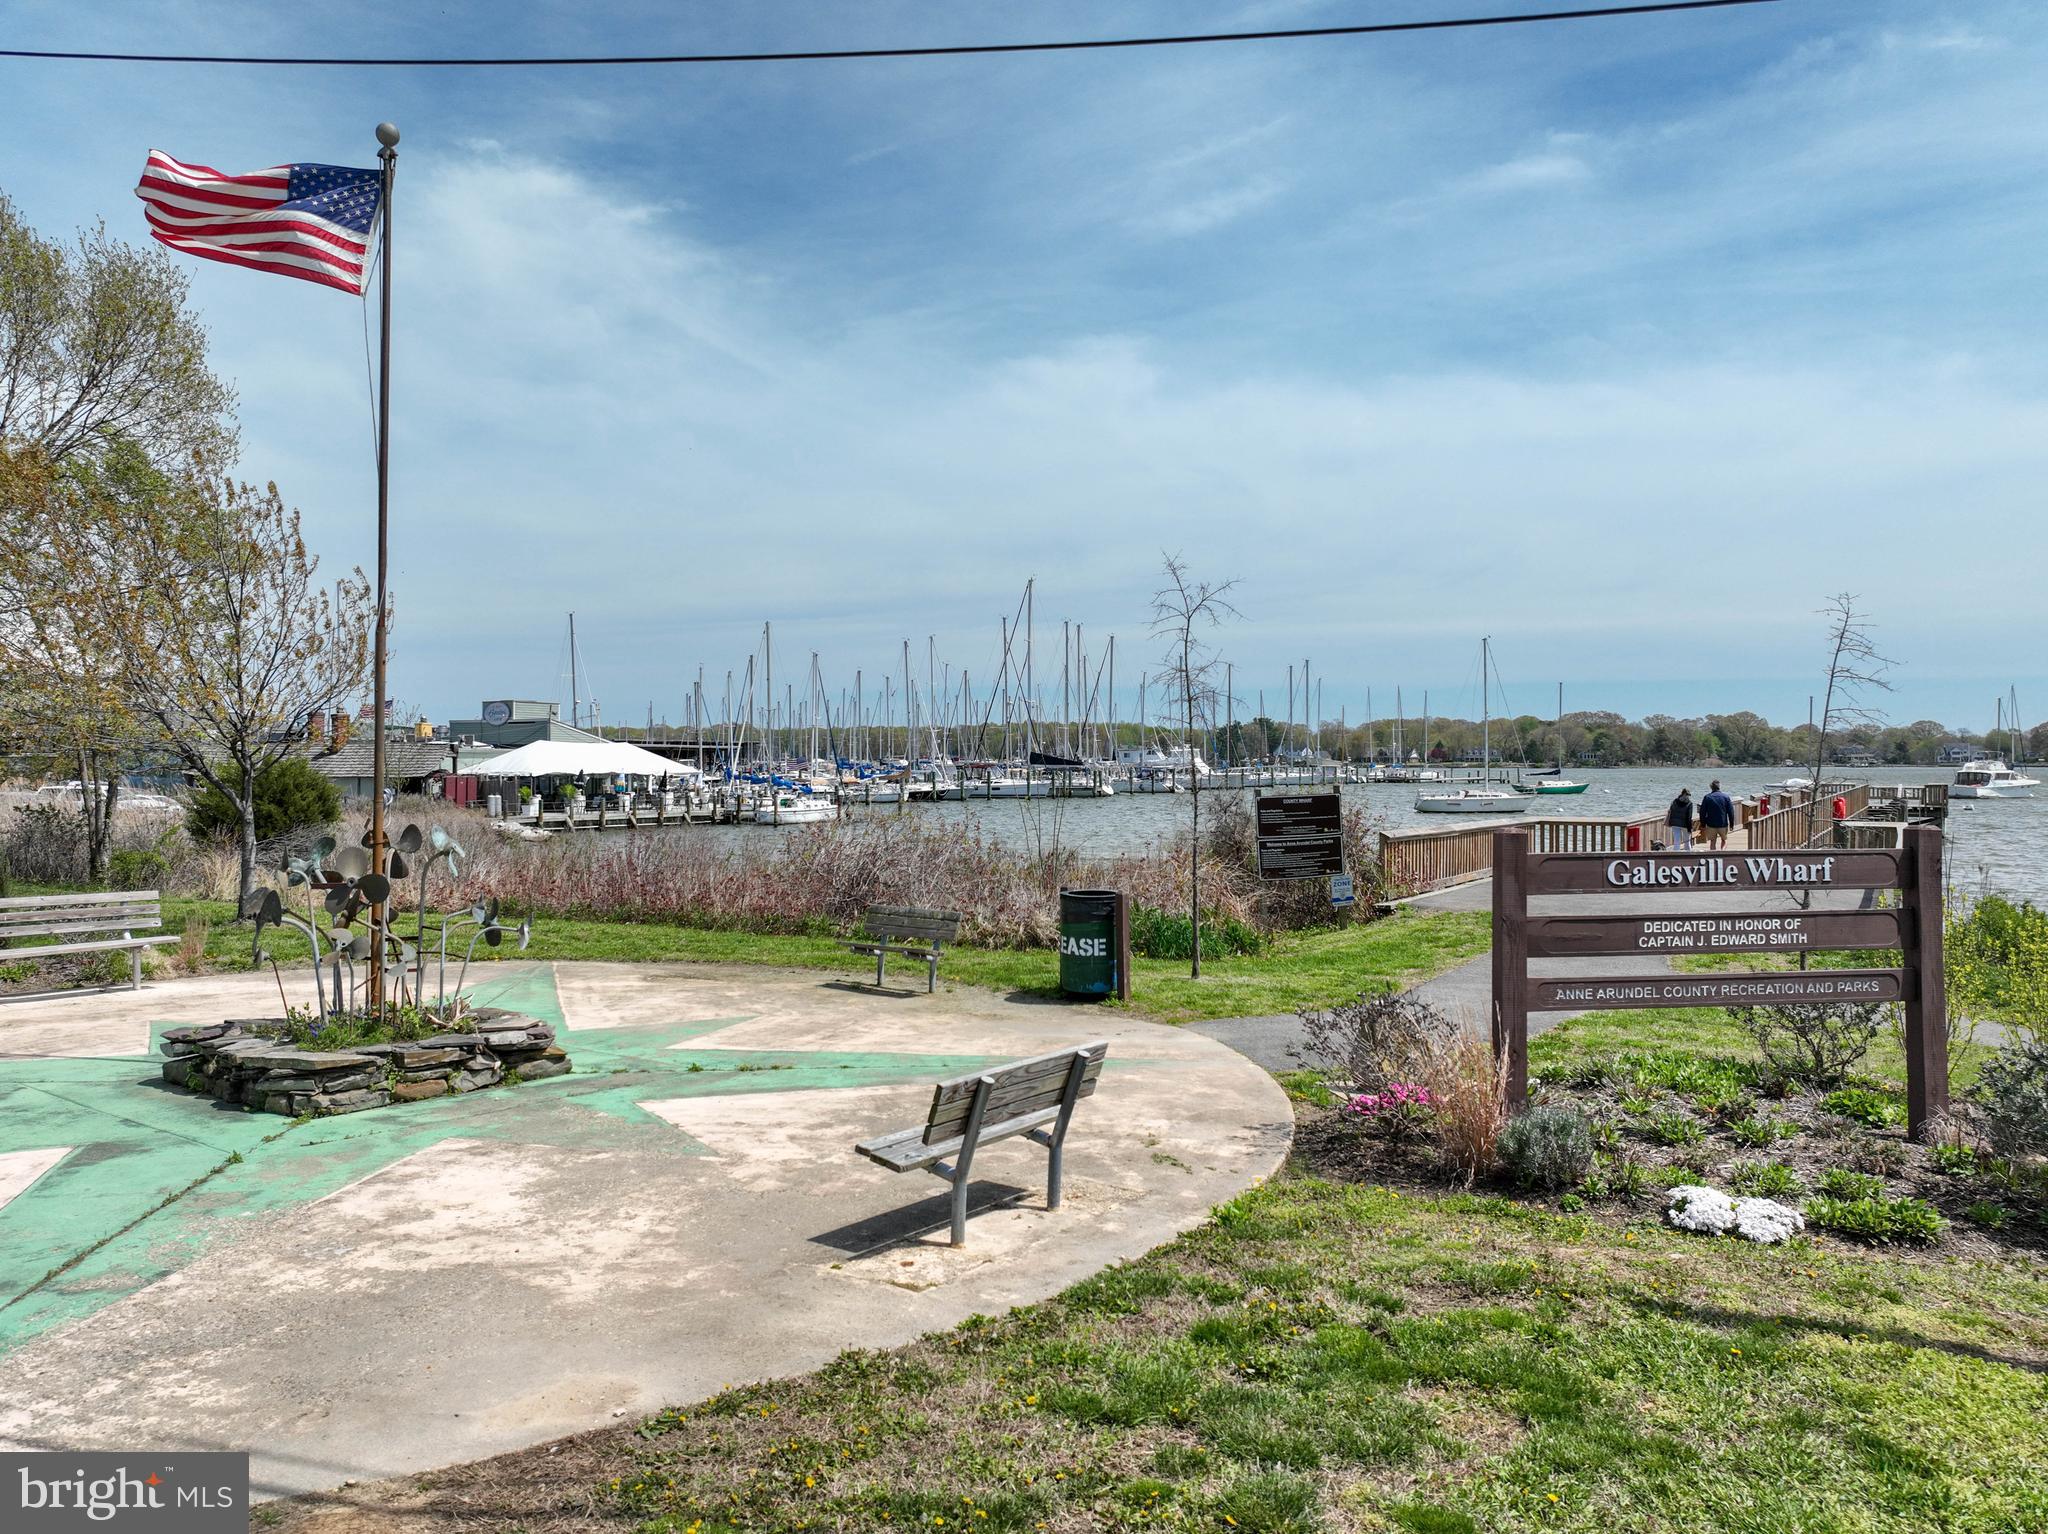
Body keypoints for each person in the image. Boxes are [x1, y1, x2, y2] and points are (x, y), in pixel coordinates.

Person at [1699, 779, 1737, 850]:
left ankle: (1713, 857)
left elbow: (1702, 812)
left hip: (1711, 824)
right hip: (1723, 824)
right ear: (1719, 787)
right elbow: (1731, 812)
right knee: (1724, 841)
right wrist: (1731, 824)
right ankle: (1722, 853)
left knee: (1712, 842)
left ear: (1711, 787)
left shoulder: (1707, 797)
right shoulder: (1726, 797)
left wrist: (1703, 824)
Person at [1665, 786, 1695, 850]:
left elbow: (1671, 811)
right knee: (1687, 842)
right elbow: (1689, 817)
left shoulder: (1675, 801)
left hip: (1675, 824)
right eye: (1687, 795)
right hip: (1685, 825)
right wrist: (1689, 829)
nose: (1688, 797)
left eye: (1688, 795)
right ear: (1684, 794)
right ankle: (1689, 857)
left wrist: (1670, 822)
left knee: (1676, 841)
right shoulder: (1689, 804)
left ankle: (1676, 856)